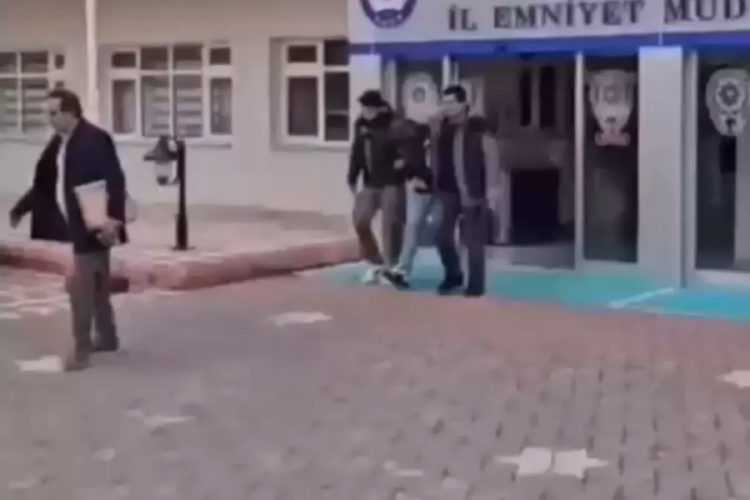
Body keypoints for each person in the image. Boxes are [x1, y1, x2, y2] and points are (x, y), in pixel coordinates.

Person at [9, 89, 128, 371]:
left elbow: (114, 179)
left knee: (79, 288)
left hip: (94, 223)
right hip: (77, 223)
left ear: (70, 112)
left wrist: (111, 220)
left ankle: (81, 351)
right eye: (46, 112)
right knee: (97, 283)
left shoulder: (94, 139)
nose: (48, 118)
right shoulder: (60, 142)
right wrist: (22, 208)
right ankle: (107, 337)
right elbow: (45, 182)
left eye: (53, 113)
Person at [431, 85, 500, 297]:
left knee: (473, 241)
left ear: (462, 104)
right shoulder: (439, 129)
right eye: (444, 102)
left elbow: (491, 158)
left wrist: (492, 189)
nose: (447, 107)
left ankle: (476, 286)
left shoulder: (476, 128)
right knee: (441, 236)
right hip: (446, 191)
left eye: (451, 102)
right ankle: (454, 274)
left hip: (472, 190)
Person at [348, 90, 407, 284]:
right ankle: (375, 260)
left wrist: (403, 166)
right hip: (370, 182)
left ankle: (392, 266)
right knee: (360, 220)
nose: (365, 111)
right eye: (363, 108)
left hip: (392, 183)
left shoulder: (394, 125)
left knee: (392, 225)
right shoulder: (361, 125)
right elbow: (357, 151)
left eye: (369, 108)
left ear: (379, 108)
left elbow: (407, 150)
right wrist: (352, 176)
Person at [382, 120, 438, 289]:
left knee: (439, 229)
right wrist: (411, 176)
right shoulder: (414, 146)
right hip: (419, 192)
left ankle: (456, 270)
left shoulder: (443, 147)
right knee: (412, 228)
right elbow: (411, 166)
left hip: (440, 192)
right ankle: (401, 270)